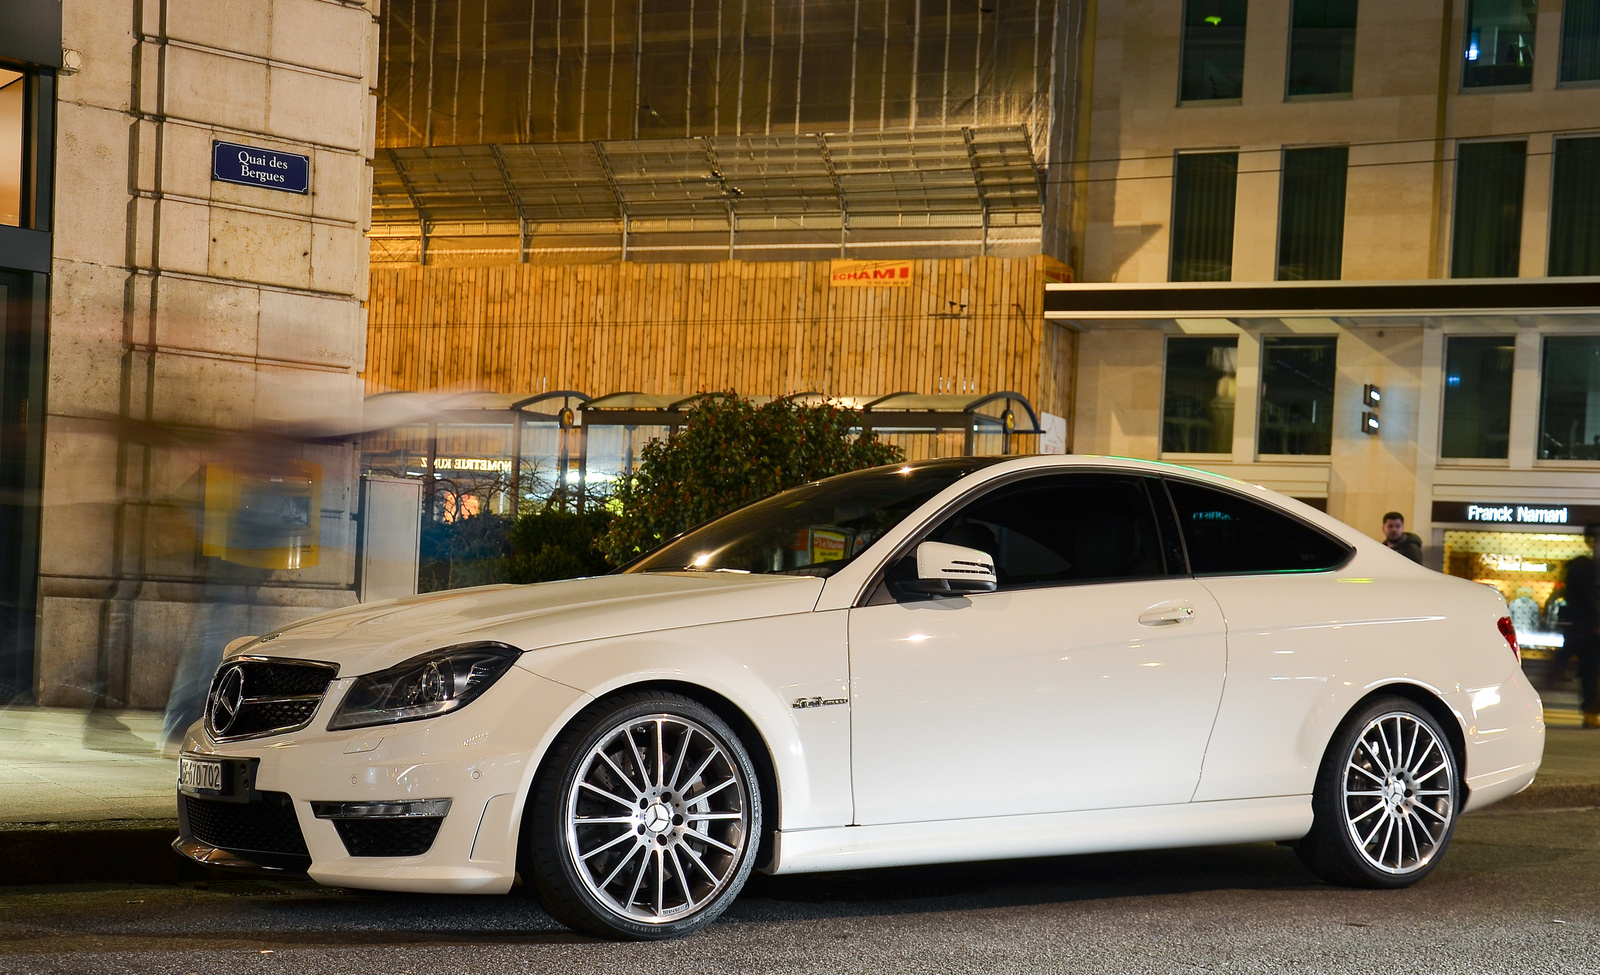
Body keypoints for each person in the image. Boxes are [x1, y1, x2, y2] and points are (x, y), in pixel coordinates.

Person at [1562, 525, 1600, 730]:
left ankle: (1591, 710)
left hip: (1584, 630)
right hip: (1587, 630)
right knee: (1590, 671)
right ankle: (1591, 711)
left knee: (1589, 671)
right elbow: (1585, 600)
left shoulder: (1583, 568)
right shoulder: (1585, 569)